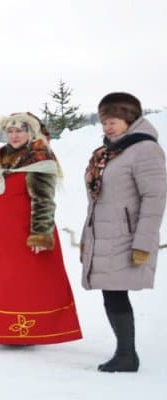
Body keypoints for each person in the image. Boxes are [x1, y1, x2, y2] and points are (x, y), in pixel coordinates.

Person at [0, 113, 82, 346]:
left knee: (23, 284)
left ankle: (23, 331)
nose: (14, 135)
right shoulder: (3, 158)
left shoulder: (39, 159)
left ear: (31, 132)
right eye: (10, 131)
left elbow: (44, 201)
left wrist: (40, 234)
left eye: (20, 130)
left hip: (24, 235)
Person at [81, 92, 166, 372]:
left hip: (127, 237)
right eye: (104, 121)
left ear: (130, 119)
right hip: (104, 234)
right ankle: (125, 353)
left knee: (115, 293)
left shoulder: (145, 150)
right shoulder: (110, 151)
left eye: (114, 121)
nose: (107, 127)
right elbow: (97, 201)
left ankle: (127, 355)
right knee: (111, 292)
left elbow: (154, 198)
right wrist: (86, 240)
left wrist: (143, 243)